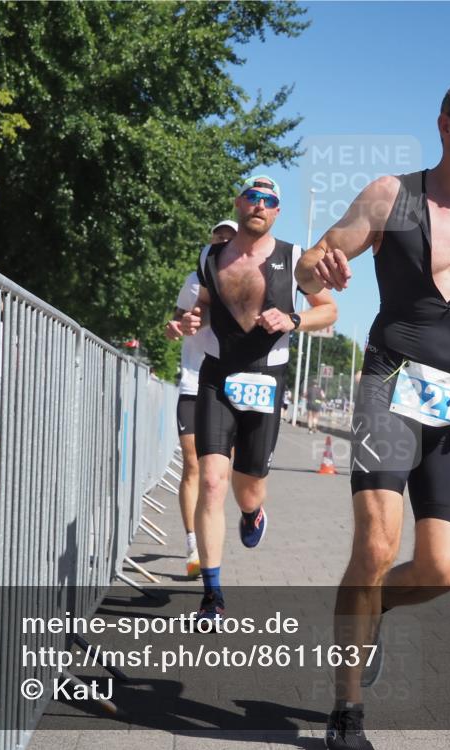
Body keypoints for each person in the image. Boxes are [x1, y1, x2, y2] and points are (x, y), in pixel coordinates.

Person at [295, 75, 450, 749]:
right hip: (388, 388)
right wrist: (321, 269)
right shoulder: (391, 196)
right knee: (375, 547)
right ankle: (346, 714)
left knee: (440, 570)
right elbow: (314, 263)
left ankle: (368, 614)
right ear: (446, 127)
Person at [180, 175, 337, 620]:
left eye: (269, 200)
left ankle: (253, 514)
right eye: (253, 197)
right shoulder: (210, 256)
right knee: (212, 481)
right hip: (216, 376)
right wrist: (193, 320)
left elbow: (329, 309)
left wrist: (293, 318)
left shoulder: (294, 259)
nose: (260, 205)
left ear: (277, 211)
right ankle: (212, 596)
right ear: (239, 202)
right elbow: (202, 305)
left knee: (247, 490)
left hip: (265, 380)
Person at [164, 219, 237, 578]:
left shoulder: (243, 280)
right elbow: (174, 325)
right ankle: (193, 543)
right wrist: (174, 328)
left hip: (232, 389)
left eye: (230, 237)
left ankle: (212, 536)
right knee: (194, 466)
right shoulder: (194, 281)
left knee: (220, 475)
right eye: (218, 236)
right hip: (194, 383)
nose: (224, 240)